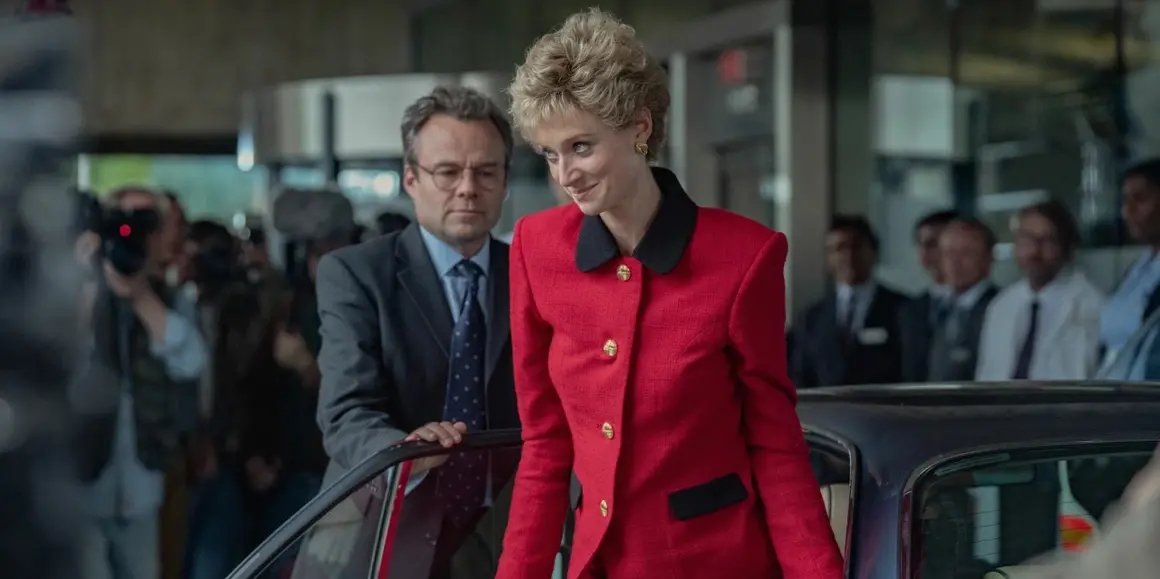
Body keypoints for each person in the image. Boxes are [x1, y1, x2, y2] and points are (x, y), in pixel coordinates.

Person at [495, 9, 843, 579]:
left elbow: (775, 446)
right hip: (596, 563)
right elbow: (544, 445)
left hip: (716, 564)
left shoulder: (745, 257)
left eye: (581, 146)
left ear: (639, 127)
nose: (565, 174)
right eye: (550, 154)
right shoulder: (535, 248)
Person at [313, 86, 520, 578]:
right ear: (411, 178)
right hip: (382, 526)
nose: (467, 188)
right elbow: (345, 413)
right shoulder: (356, 273)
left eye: (485, 172)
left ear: (504, 181)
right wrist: (402, 452)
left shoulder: (533, 275)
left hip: (503, 534)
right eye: (447, 171)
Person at [74, 186, 207, 579]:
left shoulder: (169, 297)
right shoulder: (78, 290)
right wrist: (87, 284)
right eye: (122, 221)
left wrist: (140, 296)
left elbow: (191, 361)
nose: (131, 232)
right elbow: (60, 362)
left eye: (145, 223)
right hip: (83, 480)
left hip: (144, 481)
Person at [975, 201, 1105, 380]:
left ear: (1068, 249)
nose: (1034, 251)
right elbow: (986, 374)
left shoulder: (1092, 306)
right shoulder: (1001, 305)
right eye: (1026, 238)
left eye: (1047, 240)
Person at [790, 215, 909, 387]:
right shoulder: (810, 319)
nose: (848, 255)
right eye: (839, 248)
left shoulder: (903, 309)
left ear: (874, 252)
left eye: (856, 246)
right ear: (828, 258)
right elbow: (800, 376)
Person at [898, 210, 958, 382]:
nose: (925, 251)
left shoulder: (989, 304)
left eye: (934, 243)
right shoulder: (908, 309)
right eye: (921, 243)